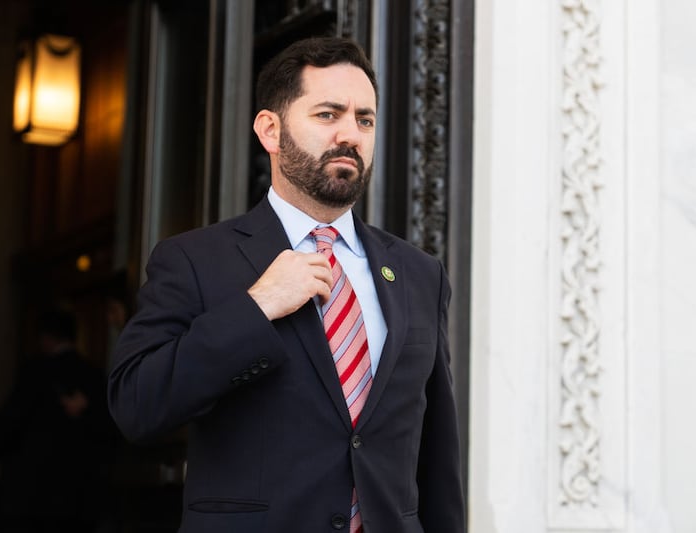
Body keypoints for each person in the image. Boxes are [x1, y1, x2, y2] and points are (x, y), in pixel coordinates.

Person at [107, 37, 464, 532]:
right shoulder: (194, 260)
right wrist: (256, 308)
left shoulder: (420, 274)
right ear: (270, 130)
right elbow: (137, 405)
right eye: (327, 114)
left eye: (365, 119)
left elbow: (437, 454)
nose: (351, 134)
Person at [0, 308, 116, 533]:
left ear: (45, 337)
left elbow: (11, 422)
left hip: (36, 493)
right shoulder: (93, 374)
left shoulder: (35, 373)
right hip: (80, 493)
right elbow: (109, 429)